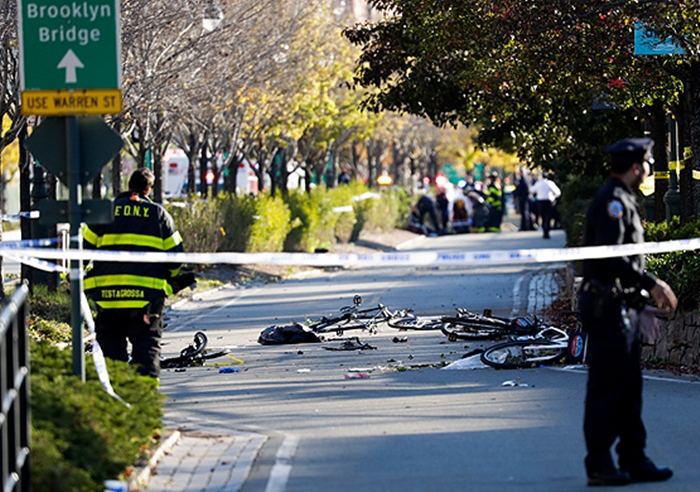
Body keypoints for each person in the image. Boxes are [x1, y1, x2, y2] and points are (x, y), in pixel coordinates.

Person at [579, 137, 677, 486]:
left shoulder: (622, 199)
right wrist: (653, 283)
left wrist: (639, 304)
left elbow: (621, 267)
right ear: (636, 167)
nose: (649, 169)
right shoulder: (613, 203)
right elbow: (612, 257)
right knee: (607, 388)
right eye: (647, 163)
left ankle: (634, 459)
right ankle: (600, 463)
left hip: (621, 307)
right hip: (606, 309)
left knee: (628, 387)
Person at [83, 168, 187, 378]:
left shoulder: (104, 213)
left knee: (111, 347)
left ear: (128, 185)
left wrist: (72, 279)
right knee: (146, 345)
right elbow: (176, 258)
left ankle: (116, 391)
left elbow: (80, 251)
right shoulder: (159, 215)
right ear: (148, 190)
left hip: (108, 297)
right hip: (146, 298)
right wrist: (170, 279)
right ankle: (145, 391)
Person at [529, 172, 561, 239]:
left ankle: (544, 231)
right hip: (548, 201)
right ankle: (547, 231)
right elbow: (558, 192)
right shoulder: (550, 183)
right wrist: (553, 197)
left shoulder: (539, 183)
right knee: (548, 217)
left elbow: (531, 190)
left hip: (540, 202)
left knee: (542, 217)